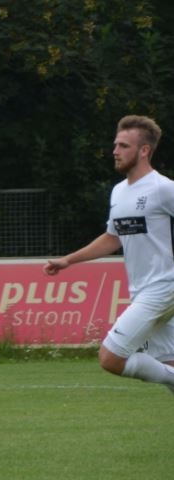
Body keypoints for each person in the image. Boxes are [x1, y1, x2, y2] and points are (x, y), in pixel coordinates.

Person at [44, 115, 174, 392]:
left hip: (163, 287)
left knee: (111, 357)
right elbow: (113, 238)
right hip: (142, 289)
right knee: (167, 363)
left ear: (144, 150)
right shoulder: (118, 192)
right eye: (116, 144)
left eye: (124, 146)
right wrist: (68, 260)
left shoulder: (162, 188)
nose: (115, 151)